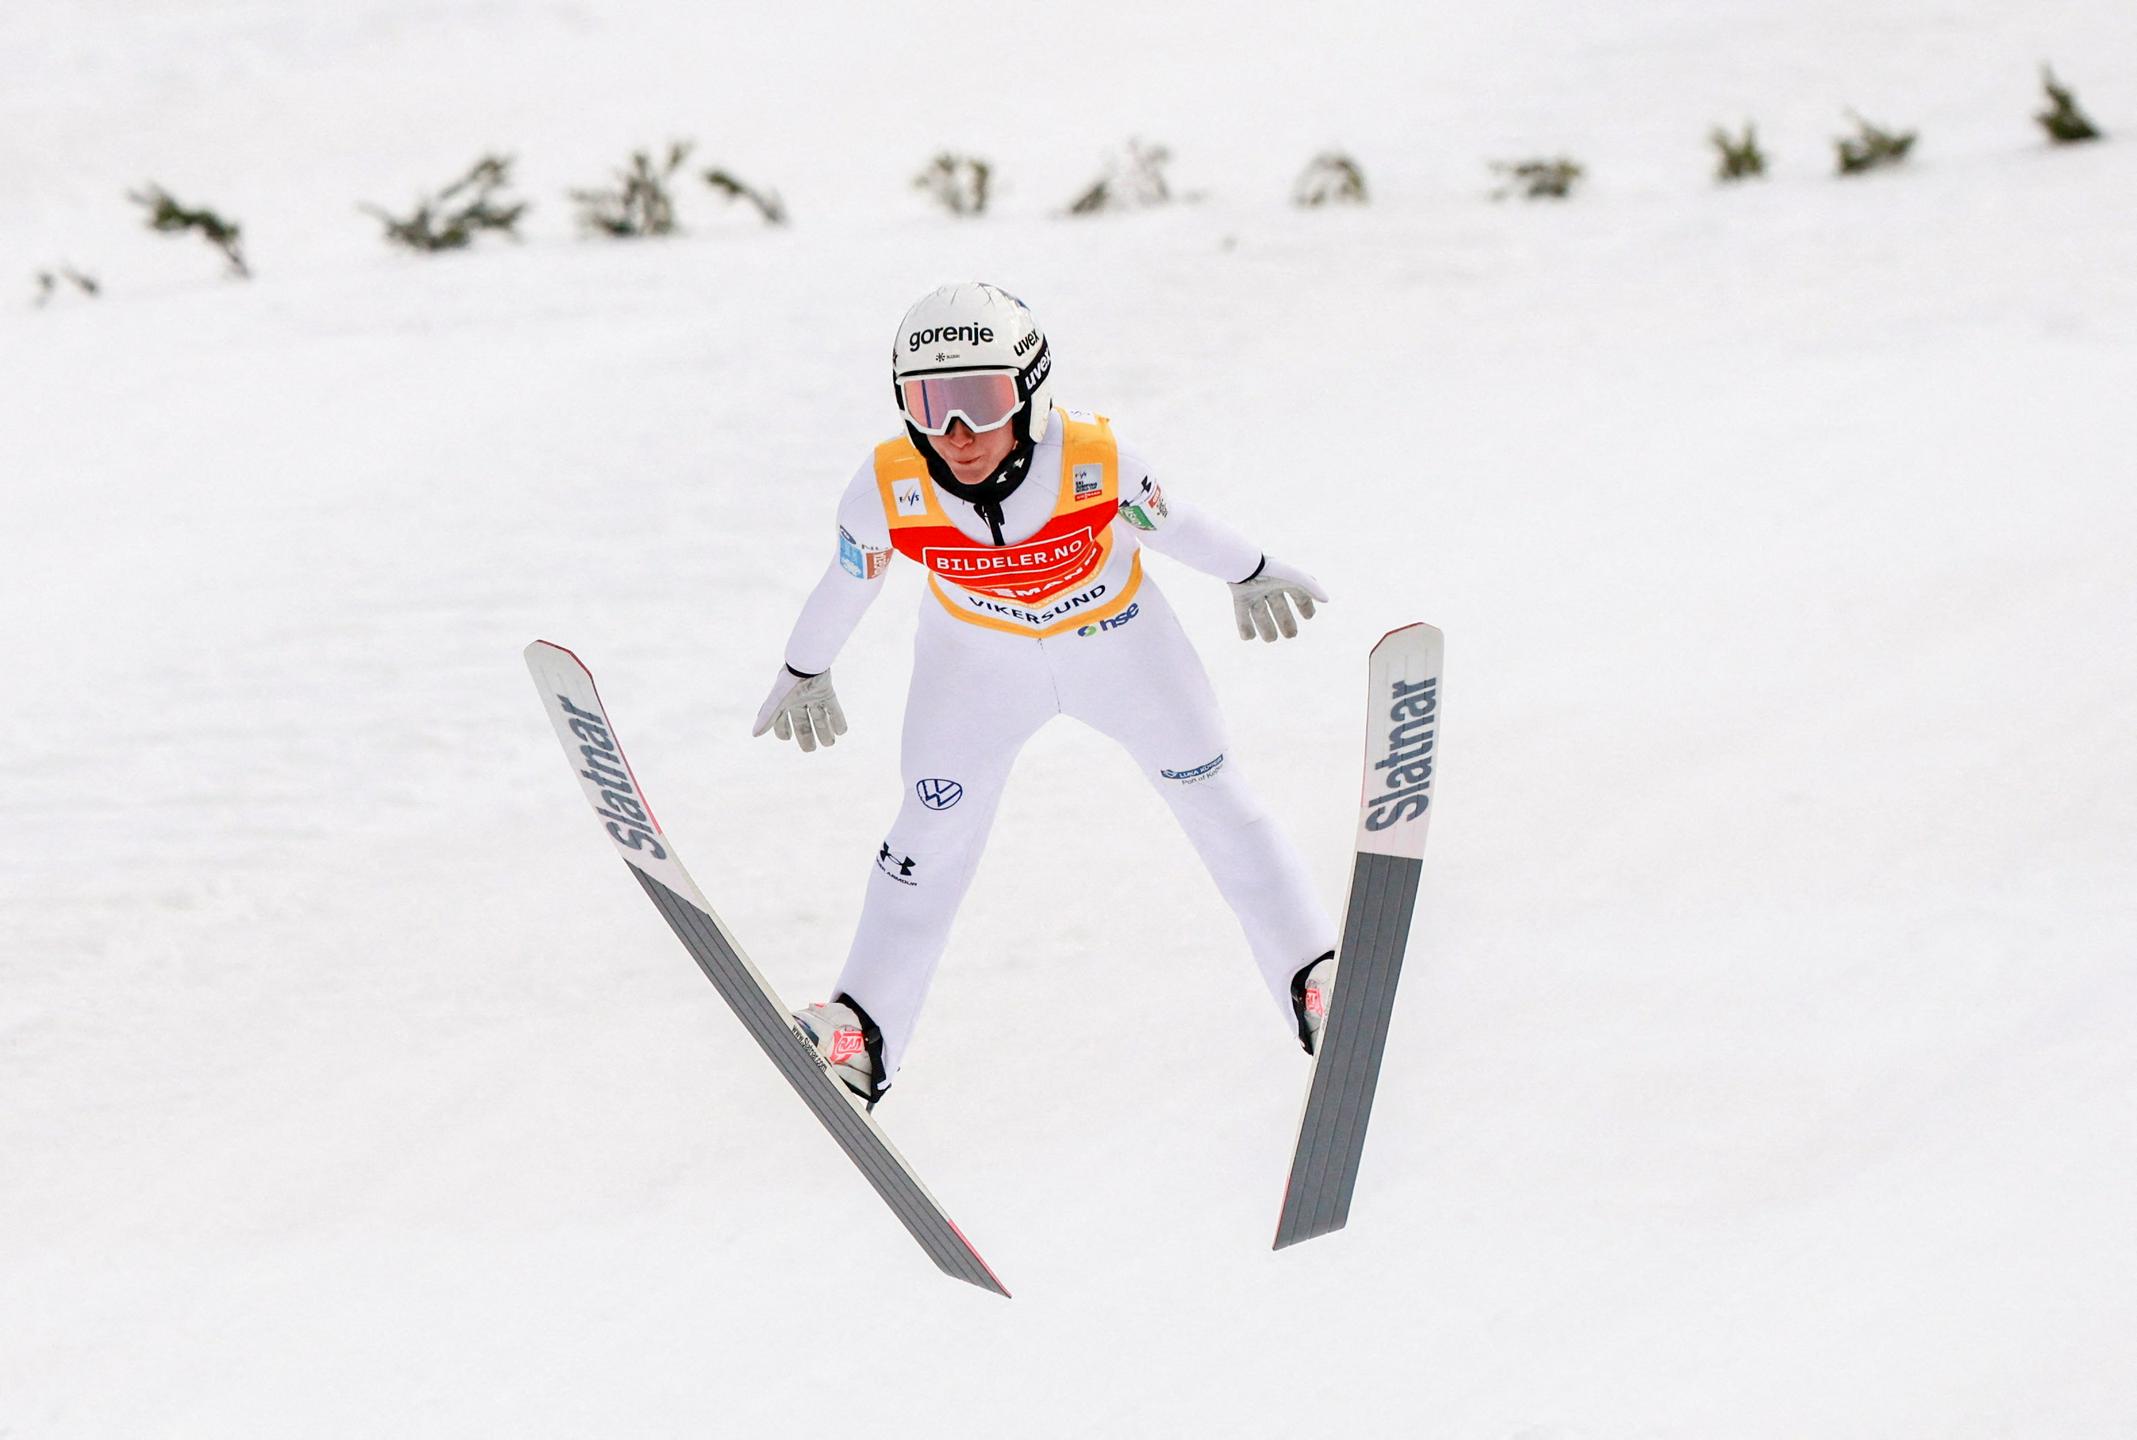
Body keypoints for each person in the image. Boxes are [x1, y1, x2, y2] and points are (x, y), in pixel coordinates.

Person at [753, 282, 1336, 1108]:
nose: (954, 435)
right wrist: (805, 665)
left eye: (979, 401)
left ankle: (1314, 978)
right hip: (975, 667)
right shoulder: (886, 485)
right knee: (929, 829)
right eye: (928, 404)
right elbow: (849, 582)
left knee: (1217, 799)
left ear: (1030, 391)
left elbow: (1177, 525)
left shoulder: (1094, 457)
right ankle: (861, 1032)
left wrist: (1249, 568)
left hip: (1119, 646)